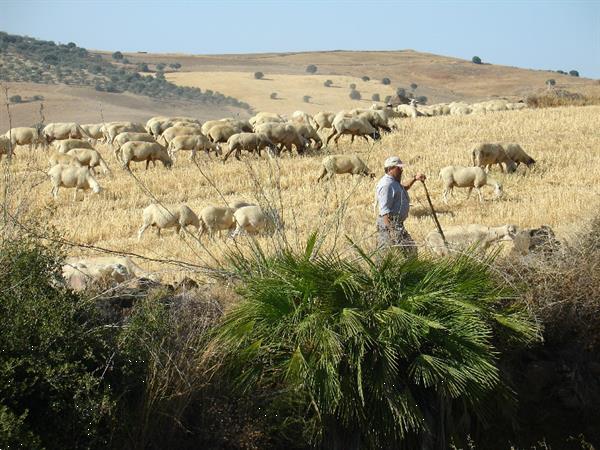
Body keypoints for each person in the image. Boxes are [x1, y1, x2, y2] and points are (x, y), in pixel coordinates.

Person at [375, 156, 426, 255]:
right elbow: (384, 211)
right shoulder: (386, 185)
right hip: (389, 224)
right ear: (390, 169)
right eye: (398, 168)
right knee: (386, 254)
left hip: (395, 224)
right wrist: (392, 232)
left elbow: (404, 188)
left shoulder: (393, 182)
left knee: (409, 251)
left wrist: (415, 179)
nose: (402, 170)